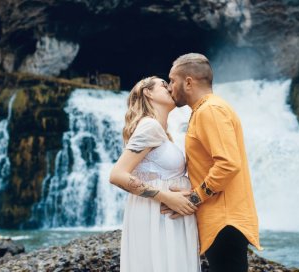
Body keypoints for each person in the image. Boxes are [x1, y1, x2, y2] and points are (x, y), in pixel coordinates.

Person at [164, 53, 261, 272]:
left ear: (188, 82)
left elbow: (228, 164)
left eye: (172, 80)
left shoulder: (210, 110)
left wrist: (195, 198)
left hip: (224, 222)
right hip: (221, 222)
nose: (170, 87)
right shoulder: (206, 110)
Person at [109, 76, 201, 272]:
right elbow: (117, 175)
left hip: (164, 216)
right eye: (163, 84)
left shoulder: (159, 130)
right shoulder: (149, 126)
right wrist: (167, 197)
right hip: (159, 215)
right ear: (148, 92)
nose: (170, 88)